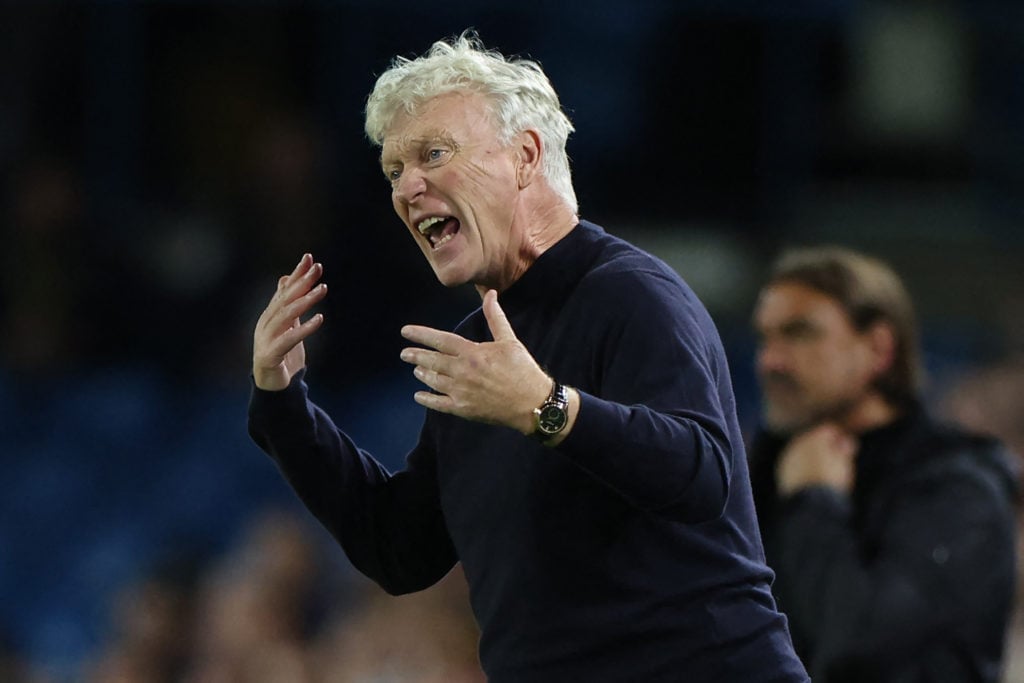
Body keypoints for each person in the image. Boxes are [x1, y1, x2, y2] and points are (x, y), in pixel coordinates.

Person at [248, 31, 808, 682]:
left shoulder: (633, 296)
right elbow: (401, 549)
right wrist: (286, 405)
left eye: (434, 154)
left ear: (525, 156)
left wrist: (547, 408)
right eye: (395, 170)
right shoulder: (483, 347)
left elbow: (703, 472)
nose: (408, 187)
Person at [747, 246, 1019, 682]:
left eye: (800, 333)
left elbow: (858, 650)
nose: (769, 361)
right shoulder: (760, 471)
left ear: (878, 348)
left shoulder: (958, 489)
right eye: (766, 337)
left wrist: (814, 498)